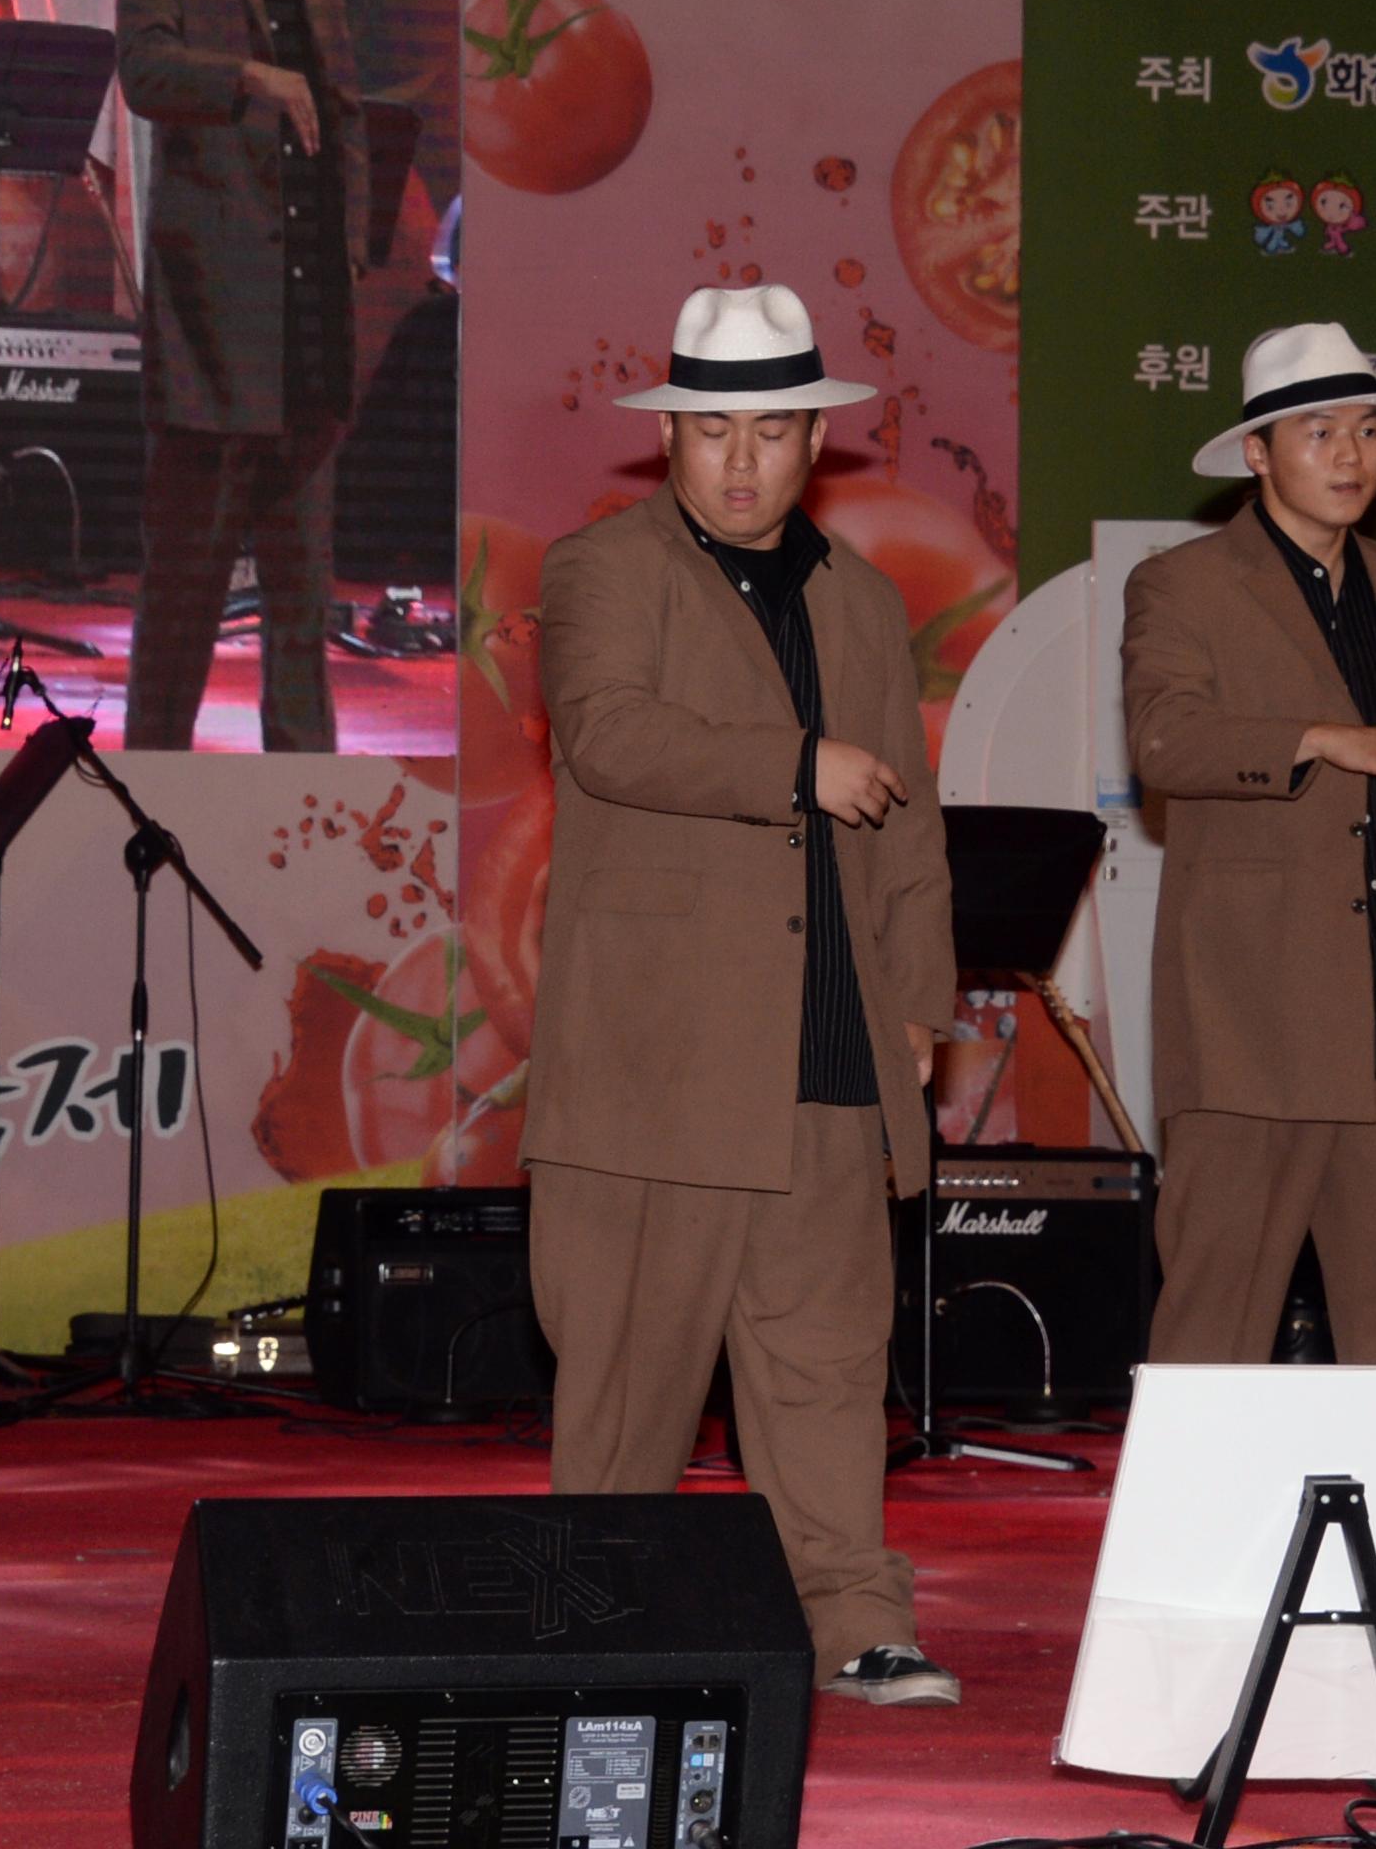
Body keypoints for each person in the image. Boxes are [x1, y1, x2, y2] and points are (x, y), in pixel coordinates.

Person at [523, 284, 961, 1707]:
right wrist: (795, 763)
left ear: (813, 440)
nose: (742, 460)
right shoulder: (603, 568)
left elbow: (906, 823)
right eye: (715, 429)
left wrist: (919, 1007)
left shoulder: (864, 598)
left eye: (773, 428)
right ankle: (593, 1617)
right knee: (627, 1387)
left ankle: (856, 1620)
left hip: (830, 1057)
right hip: (660, 1063)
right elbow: (606, 737)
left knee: (833, 1373)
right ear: (674, 440)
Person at [1121, 320, 1376, 1366]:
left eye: (1368, 429)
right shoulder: (1183, 584)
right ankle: (1190, 1532)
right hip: (1255, 1013)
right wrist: (1311, 738)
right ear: (1256, 453)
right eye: (1318, 430)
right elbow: (1164, 739)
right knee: (1217, 1310)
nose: (1349, 455)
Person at [115, 0, 367, 752]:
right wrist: (248, 79)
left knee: (303, 592)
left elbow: (338, 97)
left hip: (308, 301)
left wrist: (353, 241)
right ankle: (151, 777)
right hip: (214, 307)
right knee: (187, 583)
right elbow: (144, 72)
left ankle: (299, 776)